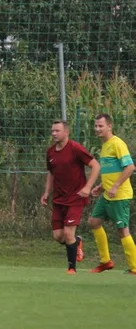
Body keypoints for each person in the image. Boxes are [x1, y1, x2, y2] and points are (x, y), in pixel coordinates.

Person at [40, 119, 99, 274]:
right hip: (58, 199)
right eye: (52, 131)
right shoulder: (51, 152)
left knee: (68, 233)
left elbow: (95, 165)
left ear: (66, 132)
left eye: (57, 131)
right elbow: (51, 173)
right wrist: (47, 192)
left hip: (75, 198)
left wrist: (87, 187)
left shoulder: (75, 148)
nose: (53, 133)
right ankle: (77, 242)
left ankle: (71, 268)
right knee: (58, 236)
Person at [87, 114, 136, 274]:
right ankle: (105, 261)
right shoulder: (105, 145)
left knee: (123, 231)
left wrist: (115, 186)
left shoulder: (117, 144)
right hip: (108, 194)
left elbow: (130, 167)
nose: (97, 129)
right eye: (96, 126)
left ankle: (135, 268)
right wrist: (101, 187)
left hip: (119, 195)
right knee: (94, 221)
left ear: (109, 126)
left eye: (101, 126)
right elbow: (111, 170)